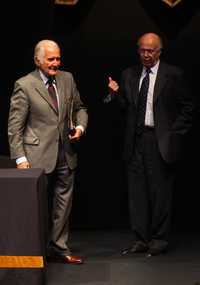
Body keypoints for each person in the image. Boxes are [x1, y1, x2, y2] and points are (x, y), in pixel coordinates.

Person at [106, 33, 193, 256]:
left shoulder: (173, 74)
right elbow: (125, 107)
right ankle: (140, 240)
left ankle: (159, 240)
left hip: (159, 140)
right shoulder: (129, 74)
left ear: (159, 52)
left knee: (160, 193)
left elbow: (188, 107)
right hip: (135, 141)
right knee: (137, 194)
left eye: (150, 51)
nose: (146, 54)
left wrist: (173, 134)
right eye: (142, 50)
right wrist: (114, 95)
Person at [8, 39, 88, 264]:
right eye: (51, 59)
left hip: (65, 152)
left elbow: (80, 108)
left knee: (63, 202)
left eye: (58, 58)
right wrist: (20, 158)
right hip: (36, 156)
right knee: (36, 206)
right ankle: (34, 250)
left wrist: (80, 127)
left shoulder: (67, 78)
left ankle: (59, 248)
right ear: (37, 60)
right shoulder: (24, 85)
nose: (56, 63)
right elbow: (15, 126)